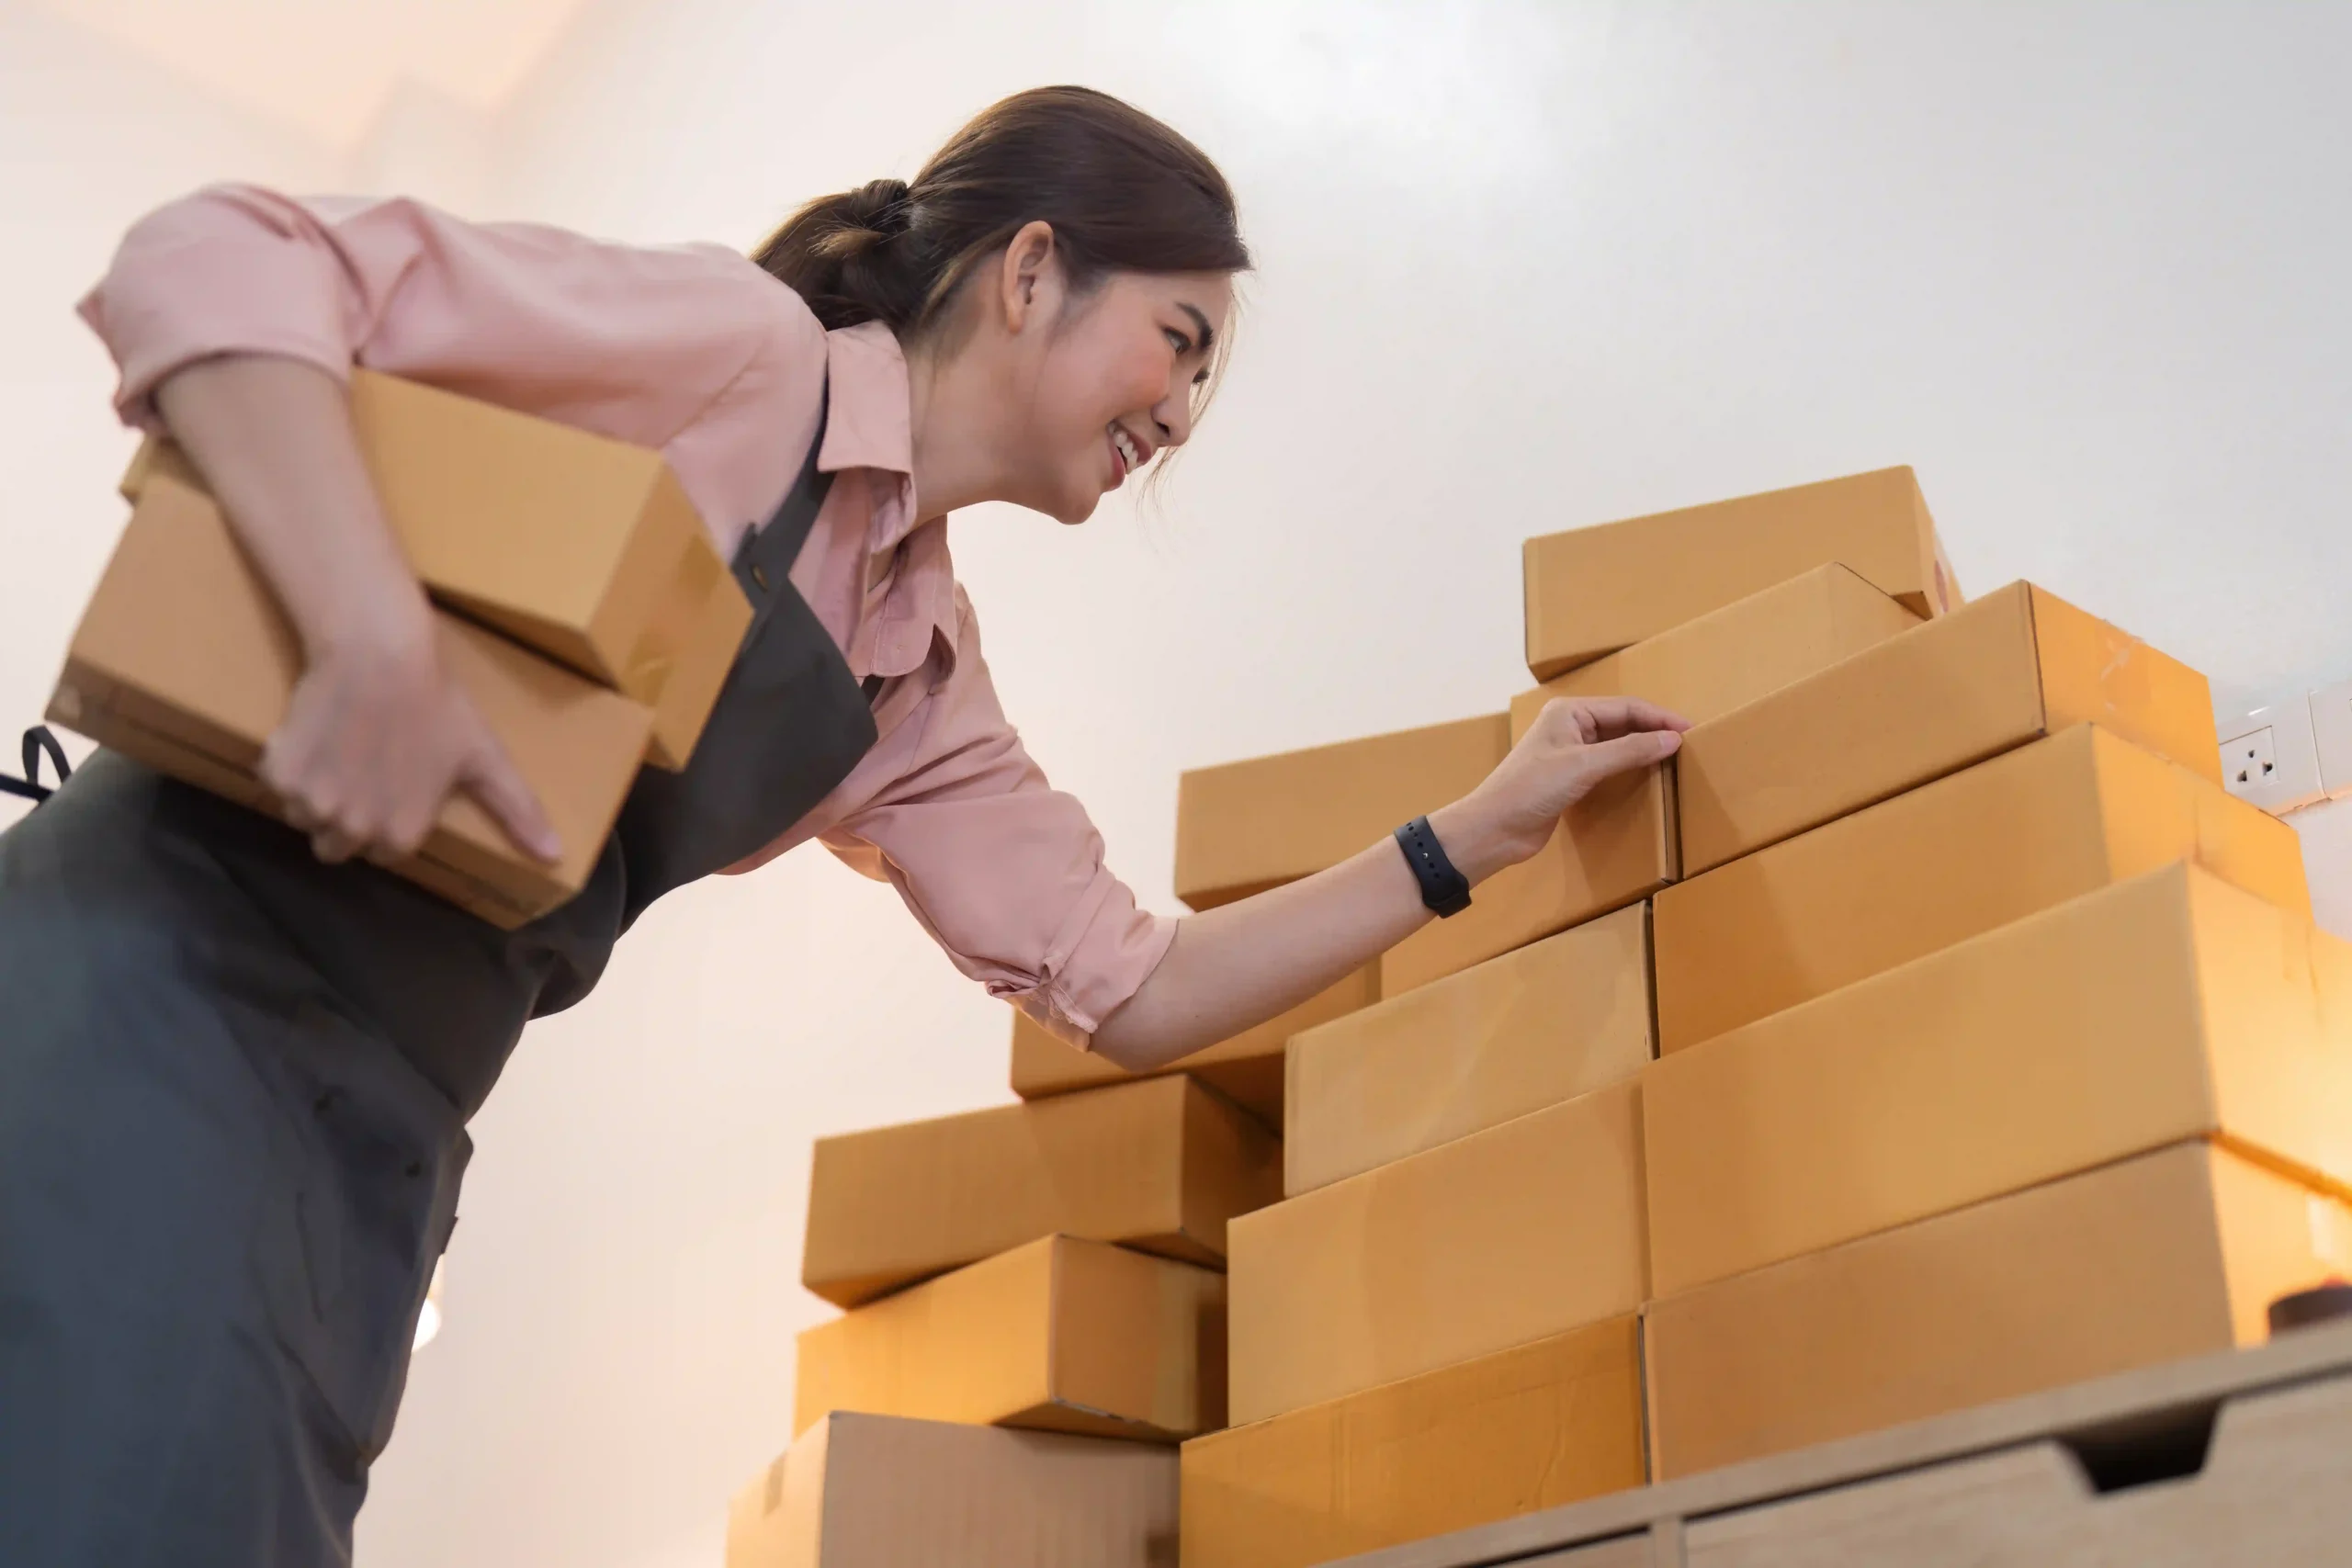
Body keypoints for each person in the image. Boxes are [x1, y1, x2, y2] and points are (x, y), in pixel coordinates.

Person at [0, 85, 1685, 1566]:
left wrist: (1477, 831)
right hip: (163, 987)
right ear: (1032, 271)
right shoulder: (737, 359)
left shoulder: (917, 682)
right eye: (1179, 343)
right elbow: (211, 253)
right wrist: (360, 619)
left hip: (383, 1127)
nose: (1183, 416)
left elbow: (1136, 985)